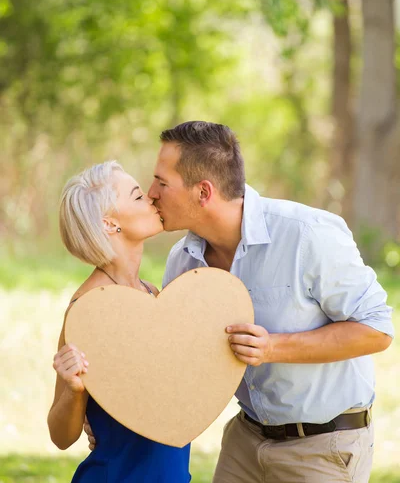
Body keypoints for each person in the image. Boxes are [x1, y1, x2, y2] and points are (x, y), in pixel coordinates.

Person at [145, 121, 394, 483]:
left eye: (162, 183)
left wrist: (272, 347)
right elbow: (181, 364)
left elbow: (377, 330)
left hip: (324, 447)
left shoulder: (308, 235)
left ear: (203, 192)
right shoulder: (183, 260)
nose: (150, 192)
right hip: (245, 440)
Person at [47, 160, 191, 483]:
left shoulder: (154, 295)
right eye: (138, 197)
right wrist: (74, 390)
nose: (152, 199)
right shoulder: (87, 310)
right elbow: (60, 436)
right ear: (110, 223)